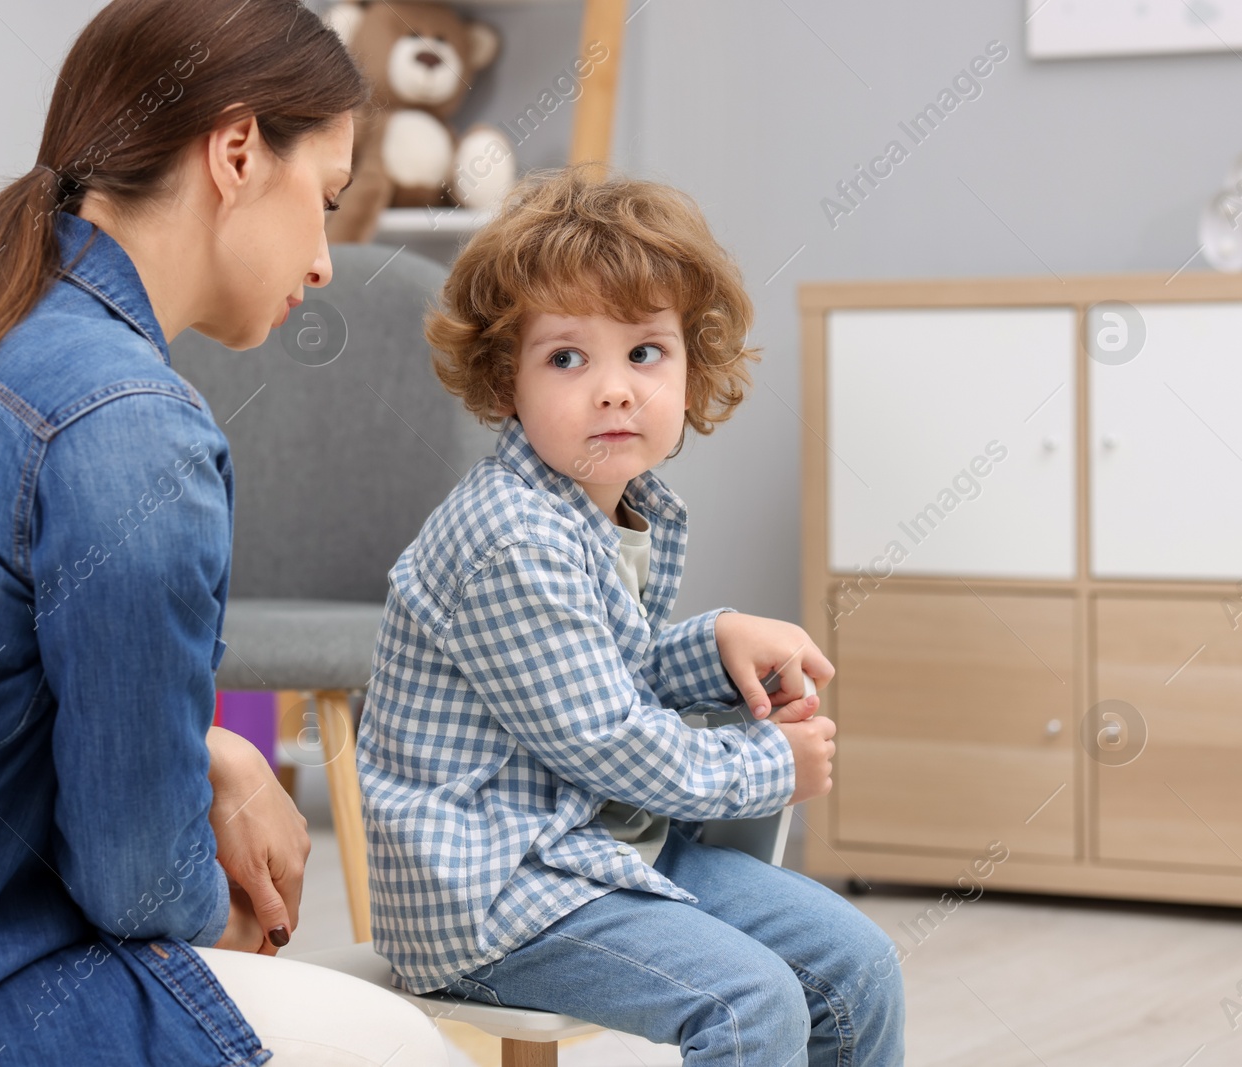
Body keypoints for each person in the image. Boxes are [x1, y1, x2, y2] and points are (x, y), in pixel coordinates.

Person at [0, 1, 449, 1064]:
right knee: (403, 1042)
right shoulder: (132, 425)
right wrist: (212, 918)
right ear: (237, 149)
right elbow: (137, 885)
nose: (327, 260)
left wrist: (215, 754)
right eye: (325, 199)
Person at [357, 165, 907, 1065]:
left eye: (645, 352)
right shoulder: (512, 538)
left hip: (604, 848)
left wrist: (713, 638)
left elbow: (611, 665)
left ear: (692, 369)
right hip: (500, 892)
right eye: (567, 357)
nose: (614, 388)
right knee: (749, 1004)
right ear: (506, 382)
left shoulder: (613, 503)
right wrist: (770, 763)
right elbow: (608, 737)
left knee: (860, 965)